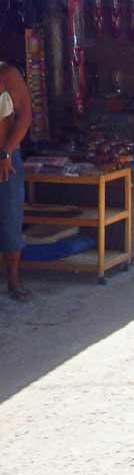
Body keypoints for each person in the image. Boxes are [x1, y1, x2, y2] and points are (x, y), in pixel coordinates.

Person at [0, 61, 31, 301]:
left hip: (5, 159)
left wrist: (7, 151)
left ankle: (13, 280)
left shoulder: (8, 75)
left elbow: (25, 116)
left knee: (10, 219)